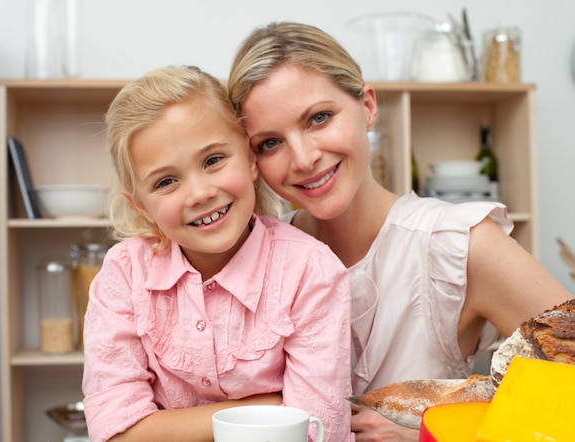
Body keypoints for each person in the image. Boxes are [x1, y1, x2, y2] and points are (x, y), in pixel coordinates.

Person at [227, 22, 574, 441]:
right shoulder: (256, 258)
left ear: (368, 106)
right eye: (269, 143)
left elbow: (565, 395)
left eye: (319, 118)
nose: (303, 158)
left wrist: (431, 437)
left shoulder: (457, 245)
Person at [82, 65, 353, 442]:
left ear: (250, 158)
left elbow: (320, 432)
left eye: (213, 161)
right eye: (166, 182)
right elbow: (114, 433)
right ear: (140, 205)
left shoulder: (310, 270)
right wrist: (271, 406)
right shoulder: (125, 274)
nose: (199, 194)